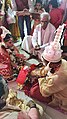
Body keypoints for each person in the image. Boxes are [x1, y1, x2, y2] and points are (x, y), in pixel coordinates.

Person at [37, 40, 67, 111]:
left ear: (51, 64)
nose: (43, 62)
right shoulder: (63, 61)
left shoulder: (57, 78)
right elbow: (47, 70)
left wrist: (41, 79)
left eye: (44, 61)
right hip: (58, 85)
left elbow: (45, 92)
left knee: (34, 91)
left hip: (63, 97)